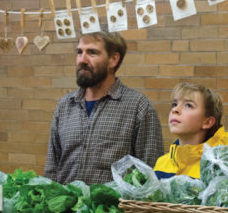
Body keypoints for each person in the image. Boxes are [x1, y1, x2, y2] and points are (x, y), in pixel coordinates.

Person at [44, 31, 164, 184]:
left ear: (113, 60)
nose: (83, 60)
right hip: (66, 207)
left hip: (113, 207)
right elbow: (51, 169)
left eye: (92, 53)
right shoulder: (65, 106)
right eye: (79, 52)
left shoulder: (139, 107)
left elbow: (150, 174)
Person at [154, 82, 228, 179]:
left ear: (207, 122)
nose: (175, 110)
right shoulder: (161, 163)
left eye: (188, 105)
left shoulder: (221, 167)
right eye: (174, 104)